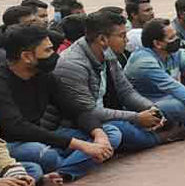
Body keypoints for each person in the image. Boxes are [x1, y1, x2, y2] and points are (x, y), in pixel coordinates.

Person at [0, 26, 121, 182]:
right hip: (11, 144)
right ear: (27, 56)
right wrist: (80, 146)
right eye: (48, 51)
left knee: (112, 132)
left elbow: (76, 109)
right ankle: (74, 164)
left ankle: (61, 173)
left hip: (42, 136)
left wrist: (99, 135)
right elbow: (16, 127)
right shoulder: (2, 81)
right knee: (44, 154)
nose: (55, 55)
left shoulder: (45, 76)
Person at [54, 10, 172, 152]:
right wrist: (136, 117)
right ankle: (162, 138)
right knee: (120, 132)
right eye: (122, 36)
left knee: (167, 109)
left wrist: (150, 109)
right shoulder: (73, 64)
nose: (127, 41)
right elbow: (88, 112)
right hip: (74, 125)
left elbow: (126, 92)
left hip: (103, 116)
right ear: (102, 39)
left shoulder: (108, 52)